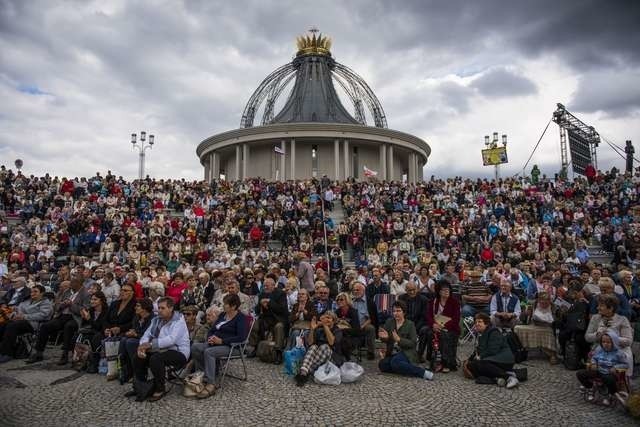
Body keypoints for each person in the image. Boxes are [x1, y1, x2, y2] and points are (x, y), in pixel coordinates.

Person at [129, 297, 190, 402]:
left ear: (171, 308)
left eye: (163, 308)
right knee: (137, 357)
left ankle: (160, 388)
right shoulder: (156, 319)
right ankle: (141, 386)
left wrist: (150, 345)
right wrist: (142, 346)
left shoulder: (179, 320)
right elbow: (147, 334)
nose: (159, 310)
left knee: (156, 359)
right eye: (159, 308)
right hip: (160, 349)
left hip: (178, 351)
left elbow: (171, 340)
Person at [190, 293, 247, 398]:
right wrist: (210, 338)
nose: (223, 306)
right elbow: (212, 330)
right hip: (215, 343)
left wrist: (222, 341)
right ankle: (203, 373)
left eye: (225, 304)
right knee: (195, 347)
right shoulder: (222, 315)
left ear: (233, 306)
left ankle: (211, 383)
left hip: (232, 346)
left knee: (209, 352)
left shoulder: (241, 318)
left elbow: (241, 337)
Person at [27, 278, 91, 364]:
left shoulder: (86, 294)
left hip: (75, 318)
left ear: (78, 283)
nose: (70, 285)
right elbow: (56, 307)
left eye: (72, 283)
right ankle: (39, 353)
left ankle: (65, 354)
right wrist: (62, 305)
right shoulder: (67, 292)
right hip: (62, 315)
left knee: (68, 327)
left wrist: (71, 304)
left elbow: (84, 310)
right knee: (45, 326)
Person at [378, 301, 434, 381]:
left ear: (404, 312)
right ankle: (404, 368)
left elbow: (413, 343)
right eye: (394, 311)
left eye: (398, 311)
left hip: (407, 352)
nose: (395, 313)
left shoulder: (410, 324)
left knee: (395, 362)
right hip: (392, 352)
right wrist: (384, 338)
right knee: (382, 365)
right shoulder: (389, 322)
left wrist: (399, 340)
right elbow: (385, 339)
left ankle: (423, 372)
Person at [0, 285, 53, 363]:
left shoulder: (45, 303)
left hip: (33, 324)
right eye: (31, 292)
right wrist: (13, 315)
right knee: (3, 325)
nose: (32, 293)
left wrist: (24, 316)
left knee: (12, 326)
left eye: (35, 292)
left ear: (42, 293)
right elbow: (18, 310)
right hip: (20, 321)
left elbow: (43, 315)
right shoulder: (27, 301)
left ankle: (8, 353)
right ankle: (1, 351)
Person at [584, 294, 634, 377]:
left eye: (601, 306)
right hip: (600, 349)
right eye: (598, 305)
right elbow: (587, 337)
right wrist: (597, 335)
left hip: (619, 350)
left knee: (624, 358)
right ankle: (596, 381)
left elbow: (628, 341)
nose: (597, 308)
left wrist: (612, 337)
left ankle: (621, 384)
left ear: (610, 308)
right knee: (594, 356)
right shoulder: (595, 318)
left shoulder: (622, 320)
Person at [465, 312, 518, 388]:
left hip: (504, 360)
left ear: (486, 323)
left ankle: (509, 377)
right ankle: (496, 378)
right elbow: (478, 350)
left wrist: (480, 357)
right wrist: (468, 360)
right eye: (476, 322)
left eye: (480, 321)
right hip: (491, 359)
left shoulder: (494, 332)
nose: (477, 324)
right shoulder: (481, 334)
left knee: (481, 364)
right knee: (472, 365)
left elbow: (493, 350)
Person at [576, 330, 628, 406]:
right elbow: (594, 358)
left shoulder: (619, 353)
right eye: (603, 342)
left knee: (608, 379)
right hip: (598, 370)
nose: (605, 344)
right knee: (580, 374)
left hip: (609, 373)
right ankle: (590, 387)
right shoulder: (600, 350)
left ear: (614, 342)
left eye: (608, 342)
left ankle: (611, 394)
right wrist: (593, 363)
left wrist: (615, 367)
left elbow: (625, 364)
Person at [294, 311, 344, 386]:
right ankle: (303, 374)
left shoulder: (337, 330)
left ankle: (305, 370)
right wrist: (312, 329)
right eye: (325, 317)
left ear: (333, 321)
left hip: (332, 358)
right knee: (314, 347)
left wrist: (325, 326)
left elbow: (331, 342)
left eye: (329, 318)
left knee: (325, 346)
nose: (326, 319)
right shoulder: (320, 330)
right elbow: (310, 342)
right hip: (319, 359)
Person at [423, 281, 460, 372]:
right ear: (439, 291)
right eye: (444, 290)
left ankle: (446, 363)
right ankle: (432, 360)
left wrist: (443, 326)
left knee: (443, 335)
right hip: (436, 326)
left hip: (451, 328)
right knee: (428, 333)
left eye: (448, 290)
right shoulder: (433, 302)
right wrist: (433, 324)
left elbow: (456, 319)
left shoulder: (454, 302)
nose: (447, 291)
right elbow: (428, 316)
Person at [250, 277, 287, 364]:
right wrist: (261, 304)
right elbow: (257, 310)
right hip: (266, 318)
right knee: (255, 324)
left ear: (273, 286)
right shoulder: (262, 294)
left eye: (267, 286)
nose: (265, 287)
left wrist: (269, 302)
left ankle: (278, 352)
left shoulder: (281, 294)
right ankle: (255, 347)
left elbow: (281, 309)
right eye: (264, 286)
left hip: (278, 318)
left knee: (279, 327)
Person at [514, 291, 558, 364]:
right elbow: (522, 318)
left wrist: (552, 320)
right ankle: (520, 349)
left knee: (548, 332)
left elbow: (557, 321)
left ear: (549, 301)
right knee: (517, 328)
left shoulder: (553, 307)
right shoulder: (534, 305)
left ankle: (552, 354)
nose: (544, 304)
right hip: (534, 325)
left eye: (546, 302)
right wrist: (525, 313)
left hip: (547, 328)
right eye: (542, 302)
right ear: (539, 301)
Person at [118, 298, 154, 383]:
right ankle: (125, 370)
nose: (135, 308)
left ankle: (137, 371)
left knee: (130, 342)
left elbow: (149, 335)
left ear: (145, 308)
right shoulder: (137, 318)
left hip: (148, 342)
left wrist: (135, 334)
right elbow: (135, 330)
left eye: (138, 306)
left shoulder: (152, 319)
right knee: (123, 340)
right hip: (137, 338)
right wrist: (131, 333)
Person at [77, 291, 109, 372]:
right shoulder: (91, 310)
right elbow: (85, 325)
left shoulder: (106, 311)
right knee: (78, 336)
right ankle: (81, 361)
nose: (92, 301)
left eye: (95, 299)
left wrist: (89, 319)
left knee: (94, 338)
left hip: (101, 332)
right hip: (91, 331)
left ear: (101, 301)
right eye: (91, 299)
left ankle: (93, 363)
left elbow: (99, 327)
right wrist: (84, 317)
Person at [351, 282, 376, 360]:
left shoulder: (369, 301)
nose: (355, 292)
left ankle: (370, 352)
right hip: (351, 325)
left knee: (370, 328)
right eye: (354, 290)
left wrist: (361, 326)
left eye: (357, 290)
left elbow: (371, 318)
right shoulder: (350, 301)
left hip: (364, 325)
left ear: (363, 291)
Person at [334, 292, 360, 359]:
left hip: (351, 336)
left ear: (347, 301)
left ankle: (344, 359)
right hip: (339, 334)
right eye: (338, 300)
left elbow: (356, 330)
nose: (339, 301)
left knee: (342, 341)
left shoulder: (353, 312)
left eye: (341, 299)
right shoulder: (337, 312)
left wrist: (342, 330)